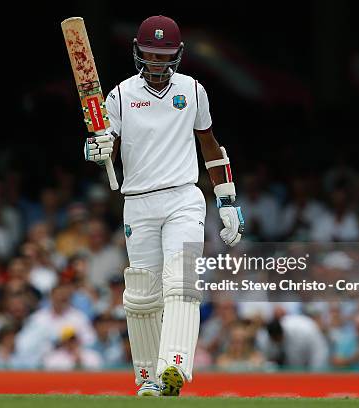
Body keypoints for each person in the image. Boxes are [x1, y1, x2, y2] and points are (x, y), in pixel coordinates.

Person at [83, 15, 244, 396]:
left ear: (178, 55)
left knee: (182, 278)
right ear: (138, 53)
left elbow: (210, 145)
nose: (158, 64)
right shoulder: (120, 95)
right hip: (138, 201)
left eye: (165, 56)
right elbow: (109, 145)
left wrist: (227, 200)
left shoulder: (192, 90)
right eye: (151, 55)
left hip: (184, 197)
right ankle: (149, 379)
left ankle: (174, 365)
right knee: (142, 294)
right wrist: (97, 149)